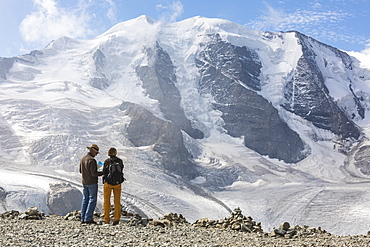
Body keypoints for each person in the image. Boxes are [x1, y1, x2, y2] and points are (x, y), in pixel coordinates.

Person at [80, 144, 103, 224]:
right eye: (96, 153)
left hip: (84, 182)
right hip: (92, 183)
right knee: (92, 200)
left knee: (85, 199)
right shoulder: (92, 160)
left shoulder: (83, 158)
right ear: (93, 152)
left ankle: (83, 218)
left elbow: (80, 170)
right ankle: (88, 218)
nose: (96, 154)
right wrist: (102, 173)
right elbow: (94, 173)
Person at [103, 147, 124, 225]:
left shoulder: (107, 161)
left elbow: (104, 172)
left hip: (108, 183)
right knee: (117, 202)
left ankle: (106, 219)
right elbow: (121, 170)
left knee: (106, 202)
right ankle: (116, 219)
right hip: (117, 183)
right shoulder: (120, 161)